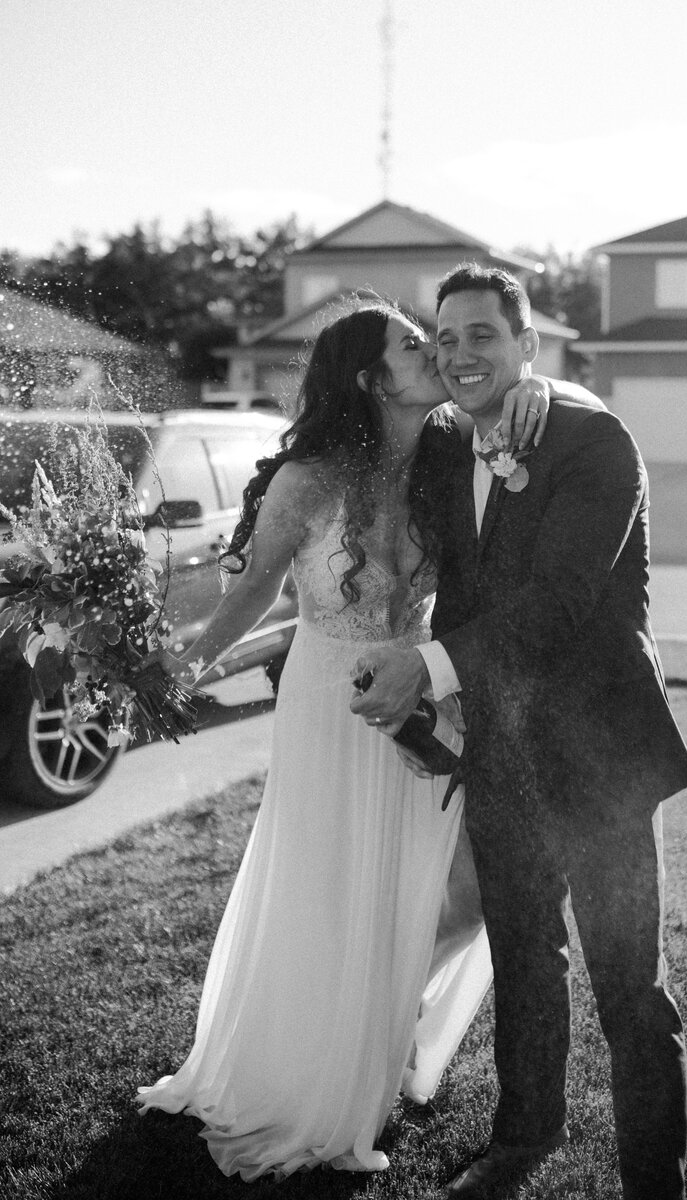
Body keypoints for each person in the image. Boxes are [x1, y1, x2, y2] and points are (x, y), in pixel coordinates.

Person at [135, 299, 556, 1182]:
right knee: (333, 890)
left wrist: (537, 388)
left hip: (425, 695)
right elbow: (244, 595)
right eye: (417, 343)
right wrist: (173, 671)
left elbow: (531, 394)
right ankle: (321, 1068)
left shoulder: (448, 455)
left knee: (460, 889)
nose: (437, 352)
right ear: (372, 379)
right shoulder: (309, 478)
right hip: (329, 701)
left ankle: (385, 1019)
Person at [350, 264, 687, 1200]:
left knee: (631, 986)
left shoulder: (594, 440)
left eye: (483, 337)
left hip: (603, 757)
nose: (461, 355)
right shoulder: (441, 450)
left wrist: (426, 667)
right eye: (446, 337)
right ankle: (522, 1138)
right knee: (523, 957)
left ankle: (654, 1179)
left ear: (527, 345)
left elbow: (559, 600)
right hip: (500, 752)